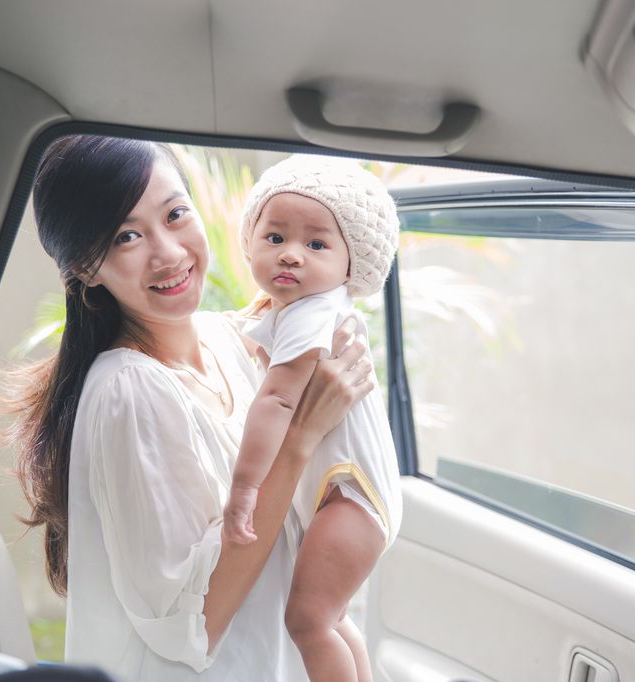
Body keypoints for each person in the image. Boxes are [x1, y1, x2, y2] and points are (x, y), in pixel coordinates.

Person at [6, 136, 375, 681]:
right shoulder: (127, 392)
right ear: (86, 267)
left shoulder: (231, 339)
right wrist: (300, 435)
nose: (169, 252)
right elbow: (196, 622)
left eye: (176, 214)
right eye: (127, 236)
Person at [221, 156, 403, 681]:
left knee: (307, 621)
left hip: (353, 496)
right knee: (331, 617)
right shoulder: (291, 310)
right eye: (275, 237)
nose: (292, 255)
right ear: (251, 243)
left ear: (351, 268)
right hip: (352, 492)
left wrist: (244, 489)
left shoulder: (311, 313)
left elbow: (277, 402)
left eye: (317, 244)